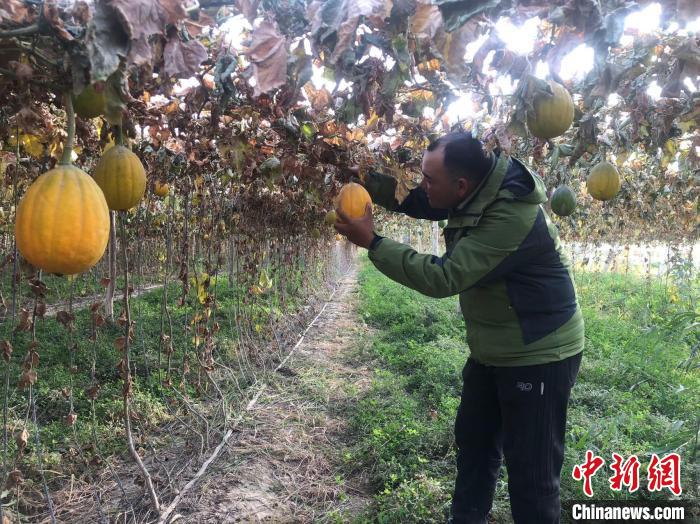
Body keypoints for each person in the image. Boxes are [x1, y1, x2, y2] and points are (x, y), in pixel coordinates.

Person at [334, 132, 584, 524]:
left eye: (430, 180)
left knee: (532, 478)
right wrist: (366, 179)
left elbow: (444, 277)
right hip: (494, 349)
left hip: (539, 351)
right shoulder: (474, 191)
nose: (423, 186)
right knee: (475, 445)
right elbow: (419, 199)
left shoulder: (509, 213)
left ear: (461, 185)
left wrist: (374, 242)